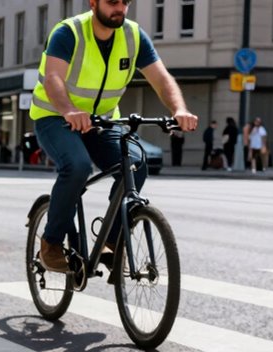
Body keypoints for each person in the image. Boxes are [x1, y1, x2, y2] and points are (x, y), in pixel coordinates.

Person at [29, 0, 198, 273]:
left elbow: (161, 78)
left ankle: (109, 241)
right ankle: (51, 244)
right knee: (77, 166)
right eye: (111, 2)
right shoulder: (69, 32)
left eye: (124, 2)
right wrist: (69, 110)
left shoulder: (133, 36)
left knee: (136, 162)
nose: (119, 7)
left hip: (100, 122)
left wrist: (179, 109)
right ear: (93, 3)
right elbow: (53, 79)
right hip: (55, 117)